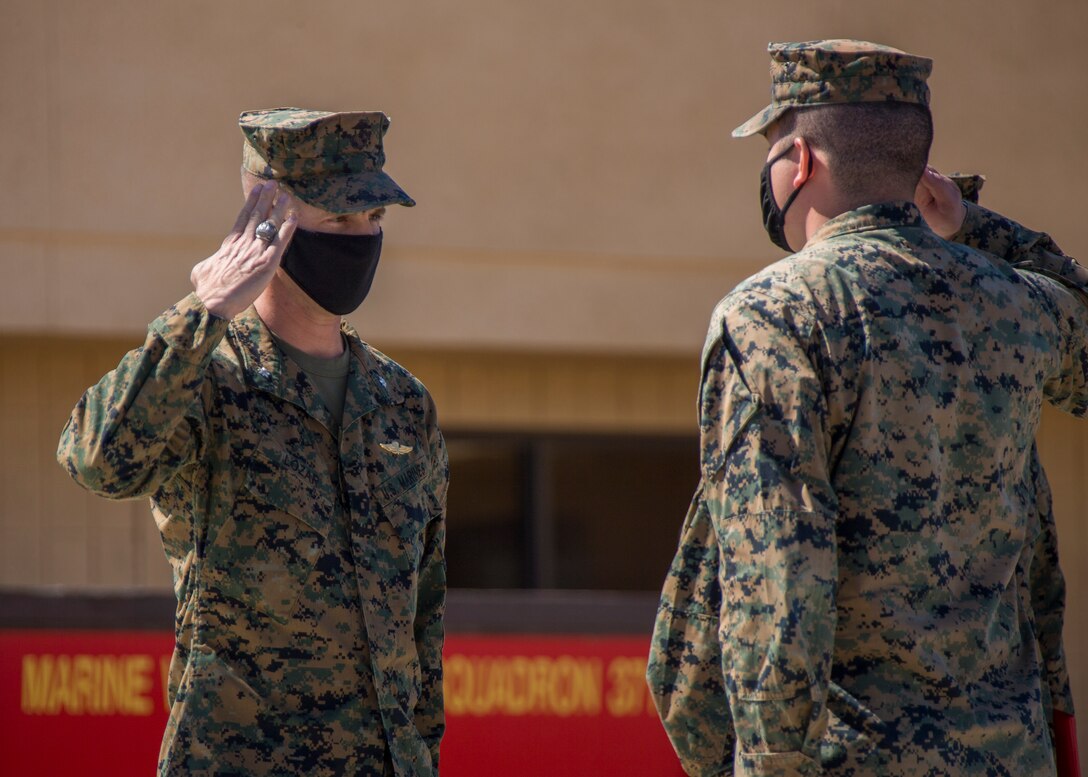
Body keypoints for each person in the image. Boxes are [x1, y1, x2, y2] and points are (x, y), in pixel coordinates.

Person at [647, 40, 1088, 776]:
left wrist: (768, 761)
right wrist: (977, 226)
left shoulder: (774, 315)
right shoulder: (1015, 300)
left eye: (769, 150)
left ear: (803, 162)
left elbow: (777, 581)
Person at [57, 109, 449, 776]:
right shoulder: (207, 378)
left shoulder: (402, 403)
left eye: (374, 220)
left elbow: (425, 614)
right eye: (342, 219)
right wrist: (202, 312)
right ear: (273, 217)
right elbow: (96, 459)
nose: (363, 237)